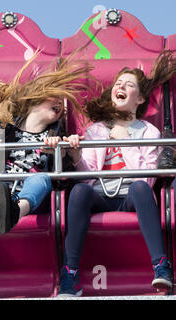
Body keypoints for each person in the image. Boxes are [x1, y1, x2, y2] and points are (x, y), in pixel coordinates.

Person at [58, 50, 176, 297]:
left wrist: (125, 140)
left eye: (128, 85)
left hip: (130, 195)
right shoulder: (96, 130)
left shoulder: (148, 132)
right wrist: (76, 155)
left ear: (140, 99)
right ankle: (70, 274)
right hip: (100, 194)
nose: (120, 87)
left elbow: (148, 175)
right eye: (118, 83)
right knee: (79, 190)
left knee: (140, 188)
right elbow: (85, 173)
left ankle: (161, 266)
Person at [0, 52, 93, 234]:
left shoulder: (55, 136)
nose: (60, 105)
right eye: (54, 97)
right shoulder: (3, 128)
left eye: (62, 104)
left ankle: (15, 212)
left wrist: (60, 155)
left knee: (41, 179)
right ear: (35, 99)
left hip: (28, 193)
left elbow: (63, 184)